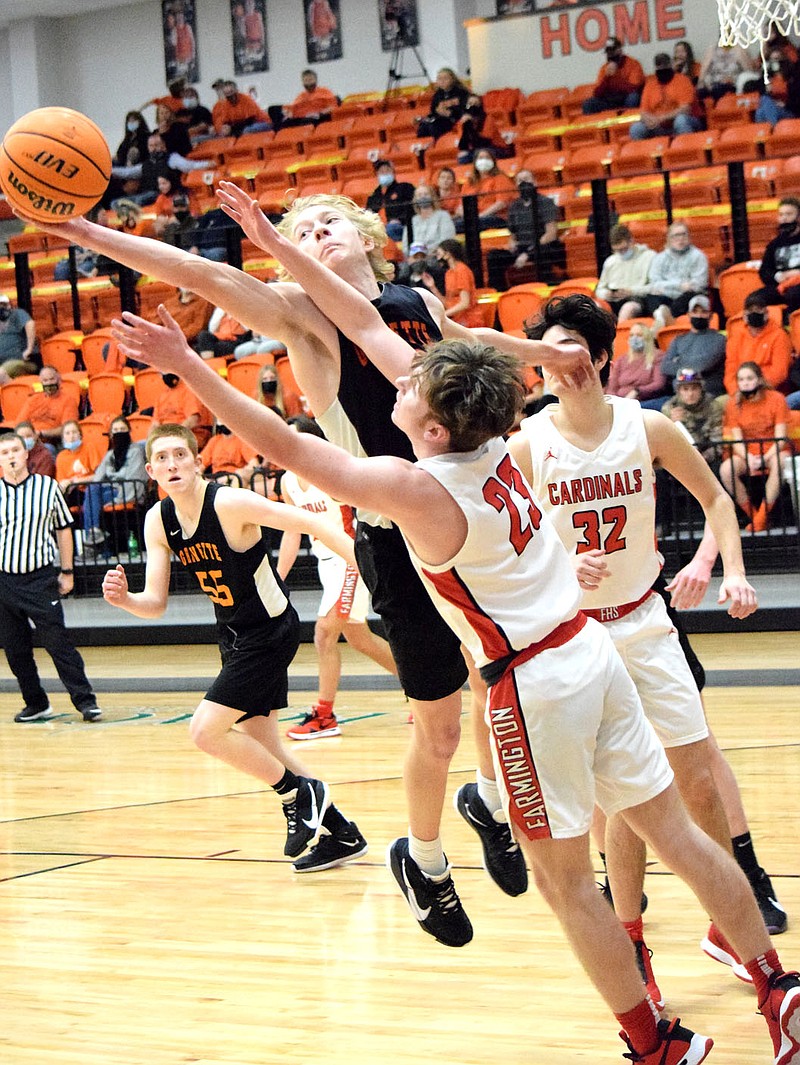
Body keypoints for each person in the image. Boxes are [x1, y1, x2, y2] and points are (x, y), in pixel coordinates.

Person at [109, 272, 800, 1065]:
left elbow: (285, 442)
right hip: (590, 650)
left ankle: (655, 1044)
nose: (396, 383)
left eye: (409, 389)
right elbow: (373, 328)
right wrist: (273, 247)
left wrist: (187, 363)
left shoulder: (414, 488)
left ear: (433, 428)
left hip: (532, 685)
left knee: (567, 882)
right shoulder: (501, 440)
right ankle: (778, 988)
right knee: (675, 831)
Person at [24, 186, 589, 945]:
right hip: (396, 530)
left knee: (502, 676)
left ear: (365, 236)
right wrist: (89, 231)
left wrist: (543, 355)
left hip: (472, 514)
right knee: (441, 725)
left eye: (330, 222)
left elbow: (465, 336)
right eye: (303, 228)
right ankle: (424, 860)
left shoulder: (412, 296)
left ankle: (489, 802)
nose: (318, 232)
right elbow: (201, 274)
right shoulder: (301, 311)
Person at [509, 293, 787, 1008]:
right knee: (625, 803)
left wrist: (726, 568)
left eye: (568, 345)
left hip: (644, 619)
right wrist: (558, 568)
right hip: (575, 634)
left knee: (698, 778)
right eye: (544, 349)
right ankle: (632, 935)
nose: (553, 361)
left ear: (601, 357)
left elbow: (718, 501)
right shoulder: (528, 444)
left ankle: (733, 927)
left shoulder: (649, 425)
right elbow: (507, 546)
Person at [101, 422, 367, 872]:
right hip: (234, 635)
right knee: (269, 748)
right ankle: (342, 834)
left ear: (197, 461)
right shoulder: (158, 521)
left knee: (205, 730)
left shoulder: (228, 502)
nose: (172, 464)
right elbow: (156, 603)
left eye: (180, 455)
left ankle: (297, 794)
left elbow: (308, 521)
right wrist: (125, 600)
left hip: (269, 631)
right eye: (162, 458)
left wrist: (368, 567)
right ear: (150, 470)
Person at [277, 414, 398, 742]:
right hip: (325, 562)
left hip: (350, 558)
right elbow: (292, 531)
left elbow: (361, 513)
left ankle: (325, 715)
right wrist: (278, 577)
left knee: (324, 634)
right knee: (361, 640)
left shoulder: (328, 475)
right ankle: (420, 689)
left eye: (295, 438)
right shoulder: (287, 482)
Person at [0, 431, 102, 723]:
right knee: (15, 651)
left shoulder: (47, 488)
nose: (10, 456)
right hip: (4, 581)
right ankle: (36, 703)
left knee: (58, 644)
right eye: (4, 452)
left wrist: (67, 571)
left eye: (15, 451)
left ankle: (86, 702)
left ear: (26, 453)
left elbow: (64, 530)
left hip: (40, 578)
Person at [720, 361, 790, 532]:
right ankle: (753, 514)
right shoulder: (733, 403)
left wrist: (764, 458)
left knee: (782, 462)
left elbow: (781, 437)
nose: (745, 383)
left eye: (749, 378)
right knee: (726, 470)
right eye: (741, 379)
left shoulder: (777, 399)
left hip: (773, 450)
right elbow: (737, 440)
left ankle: (762, 517)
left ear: (759, 380)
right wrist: (749, 458)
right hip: (748, 453)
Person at [485, 169, 564, 290]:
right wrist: (513, 245)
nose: (523, 183)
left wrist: (528, 253)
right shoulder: (514, 206)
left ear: (535, 182)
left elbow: (551, 234)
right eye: (520, 181)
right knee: (494, 256)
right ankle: (501, 293)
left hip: (543, 246)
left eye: (526, 179)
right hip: (521, 247)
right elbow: (513, 235)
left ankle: (548, 288)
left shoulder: (545, 202)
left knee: (542, 253)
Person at [82, 415, 149, 550]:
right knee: (92, 490)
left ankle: (92, 536)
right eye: (116, 430)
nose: (119, 433)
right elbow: (98, 478)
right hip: (110, 491)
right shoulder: (110, 454)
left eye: (122, 429)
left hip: (128, 493)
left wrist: (119, 500)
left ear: (129, 431)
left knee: (92, 498)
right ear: (111, 434)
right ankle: (94, 532)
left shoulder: (136, 451)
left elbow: (134, 480)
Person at [658, 294, 727, 400]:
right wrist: (691, 364)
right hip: (679, 397)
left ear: (711, 315)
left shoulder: (720, 339)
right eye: (695, 312)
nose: (699, 316)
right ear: (689, 314)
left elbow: (702, 365)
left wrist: (679, 361)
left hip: (708, 396)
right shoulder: (679, 340)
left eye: (703, 312)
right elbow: (665, 366)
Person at [723, 291, 793, 396]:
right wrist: (735, 391)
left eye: (758, 309)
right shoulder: (735, 338)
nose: (754, 313)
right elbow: (730, 371)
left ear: (766, 313)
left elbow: (780, 372)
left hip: (770, 392)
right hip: (740, 391)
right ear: (744, 314)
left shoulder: (779, 335)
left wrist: (754, 388)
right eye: (750, 310)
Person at [642, 221, 710, 327]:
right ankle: (662, 316)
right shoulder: (659, 258)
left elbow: (699, 284)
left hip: (685, 298)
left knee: (691, 295)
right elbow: (654, 283)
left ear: (689, 237)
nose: (680, 238)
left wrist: (667, 286)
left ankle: (665, 319)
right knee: (651, 296)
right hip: (665, 296)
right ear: (668, 239)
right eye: (676, 235)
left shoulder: (699, 256)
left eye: (683, 234)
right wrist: (679, 285)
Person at [629, 52, 703, 140]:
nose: (662, 71)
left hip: (687, 121)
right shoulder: (650, 85)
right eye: (659, 68)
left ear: (670, 65)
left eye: (665, 67)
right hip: (659, 126)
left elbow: (685, 109)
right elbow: (643, 112)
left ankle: (687, 149)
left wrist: (662, 118)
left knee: (681, 120)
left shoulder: (683, 80)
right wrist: (650, 120)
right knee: (636, 128)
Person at [594, 223, 655, 320]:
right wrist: (607, 294)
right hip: (612, 299)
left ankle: (620, 334)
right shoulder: (610, 261)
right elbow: (599, 290)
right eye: (617, 250)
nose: (621, 253)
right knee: (594, 307)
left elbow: (655, 286)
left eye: (623, 249)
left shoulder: (649, 256)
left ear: (631, 241)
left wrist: (631, 291)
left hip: (637, 298)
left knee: (627, 309)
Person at [661, 369, 724, 464]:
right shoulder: (669, 408)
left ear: (701, 389)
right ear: (678, 391)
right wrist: (671, 423)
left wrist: (704, 457)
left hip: (708, 456)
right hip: (679, 458)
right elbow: (663, 443)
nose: (690, 394)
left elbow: (718, 442)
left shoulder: (713, 406)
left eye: (694, 388)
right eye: (685, 389)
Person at [421, 239, 483, 328]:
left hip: (469, 320)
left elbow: (465, 303)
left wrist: (443, 316)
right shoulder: (449, 273)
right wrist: (433, 287)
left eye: (439, 252)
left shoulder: (462, 270)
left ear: (448, 253)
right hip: (455, 319)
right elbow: (448, 304)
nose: (437, 255)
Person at [754, 196, 800, 314]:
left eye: (789, 214)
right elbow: (764, 271)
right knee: (755, 300)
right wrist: (779, 276)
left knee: (793, 295)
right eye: (781, 215)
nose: (784, 219)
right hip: (780, 285)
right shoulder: (774, 244)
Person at [18, 367, 80, 452]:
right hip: (28, 440)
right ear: (41, 382)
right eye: (45, 380)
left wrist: (41, 433)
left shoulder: (68, 401)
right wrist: (29, 435)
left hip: (51, 443)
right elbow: (20, 424)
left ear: (59, 380)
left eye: (52, 379)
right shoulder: (32, 399)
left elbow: (68, 429)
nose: (49, 383)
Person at [454, 148, 516, 231]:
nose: (484, 160)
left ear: (493, 161)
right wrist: (468, 217)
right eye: (480, 158)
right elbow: (460, 206)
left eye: (487, 158)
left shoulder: (501, 178)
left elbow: (501, 203)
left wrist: (481, 215)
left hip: (496, 217)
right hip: (473, 219)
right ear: (475, 162)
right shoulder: (469, 183)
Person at [604, 322, 666, 402]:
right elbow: (612, 388)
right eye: (631, 335)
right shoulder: (621, 359)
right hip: (621, 402)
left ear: (647, 338)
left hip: (645, 400)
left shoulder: (658, 356)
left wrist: (637, 391)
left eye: (639, 335)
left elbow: (659, 384)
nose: (634, 338)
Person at [582, 36, 645, 114]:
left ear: (620, 50)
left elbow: (635, 89)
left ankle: (629, 123)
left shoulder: (633, 64)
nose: (610, 54)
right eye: (608, 52)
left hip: (626, 98)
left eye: (612, 51)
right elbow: (597, 93)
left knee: (634, 97)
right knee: (588, 104)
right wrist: (607, 77)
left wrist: (616, 78)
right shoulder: (604, 68)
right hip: (610, 101)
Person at [153, 371, 212, 449]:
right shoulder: (162, 395)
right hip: (165, 438)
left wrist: (173, 436)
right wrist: (151, 440)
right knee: (137, 448)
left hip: (189, 434)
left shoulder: (189, 390)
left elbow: (193, 420)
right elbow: (155, 424)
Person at [365, 161, 416, 245]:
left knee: (391, 228)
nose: (385, 173)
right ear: (377, 174)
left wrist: (400, 220)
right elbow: (369, 213)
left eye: (387, 170)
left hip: (400, 226)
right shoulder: (374, 195)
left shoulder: (404, 188)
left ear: (393, 172)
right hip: (379, 228)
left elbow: (413, 208)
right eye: (382, 172)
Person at [55, 419, 104, 505]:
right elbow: (61, 482)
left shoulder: (89, 448)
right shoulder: (61, 457)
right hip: (71, 492)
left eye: (74, 432)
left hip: (89, 490)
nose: (71, 436)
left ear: (80, 435)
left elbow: (100, 474)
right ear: (63, 438)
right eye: (67, 433)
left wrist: (78, 481)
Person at [415, 67, 471, 141]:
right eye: (439, 79)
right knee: (423, 127)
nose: (442, 81)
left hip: (454, 120)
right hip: (440, 120)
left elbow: (466, 109)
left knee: (435, 127)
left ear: (453, 79)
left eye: (445, 78)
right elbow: (433, 111)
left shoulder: (461, 92)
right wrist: (423, 119)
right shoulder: (438, 94)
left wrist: (450, 114)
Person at [456, 93, 511, 163]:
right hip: (477, 150)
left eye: (476, 103)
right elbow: (463, 145)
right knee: (462, 158)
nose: (472, 106)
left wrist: (471, 126)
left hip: (496, 148)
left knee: (482, 153)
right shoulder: (463, 122)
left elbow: (485, 141)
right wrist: (467, 125)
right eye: (470, 103)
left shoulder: (488, 119)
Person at [406, 185, 456, 254]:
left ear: (432, 197)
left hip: (437, 255)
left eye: (426, 194)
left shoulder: (443, 215)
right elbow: (406, 245)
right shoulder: (412, 220)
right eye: (419, 195)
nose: (423, 197)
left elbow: (447, 239)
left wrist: (429, 252)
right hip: (416, 257)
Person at [0, 293, 37, 371]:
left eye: (3, 305)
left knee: (3, 371)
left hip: (20, 362)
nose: (1, 307)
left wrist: (29, 349)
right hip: (2, 363)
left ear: (9, 305)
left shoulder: (17, 313)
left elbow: (30, 324)